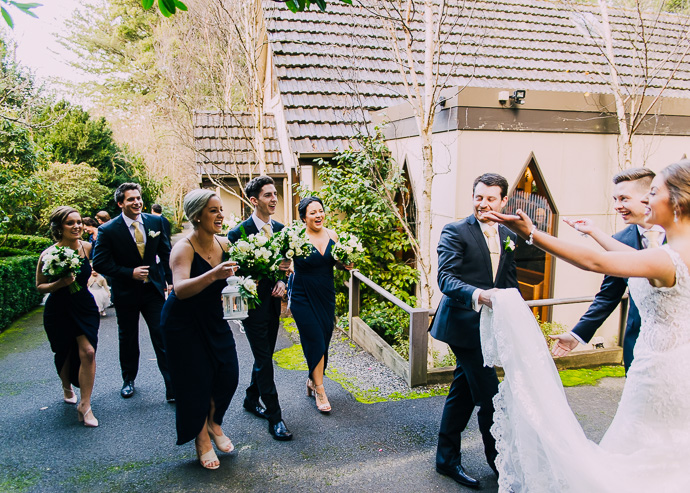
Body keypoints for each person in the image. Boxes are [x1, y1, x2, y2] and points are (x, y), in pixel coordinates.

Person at [483, 159, 690, 491]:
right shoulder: (672, 253)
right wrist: (594, 232)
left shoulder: (668, 257)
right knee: (664, 460)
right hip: (670, 369)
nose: (647, 201)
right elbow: (631, 260)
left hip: (661, 378)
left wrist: (532, 233)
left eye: (653, 192)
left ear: (677, 201)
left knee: (636, 464)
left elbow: (595, 262)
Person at [429, 173, 518, 489]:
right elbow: (446, 279)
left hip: (489, 329)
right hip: (462, 327)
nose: (483, 203)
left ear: (504, 200)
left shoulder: (508, 234)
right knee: (490, 397)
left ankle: (446, 460)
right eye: (478, 197)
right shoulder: (455, 231)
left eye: (491, 198)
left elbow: (509, 282)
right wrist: (480, 295)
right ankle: (500, 465)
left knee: (462, 394)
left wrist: (517, 319)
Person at [551, 168, 663, 372]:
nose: (617, 206)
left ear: (648, 197)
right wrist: (577, 334)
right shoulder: (618, 240)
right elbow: (608, 296)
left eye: (624, 199)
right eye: (615, 199)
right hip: (638, 345)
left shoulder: (682, 234)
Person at [160, 189, 240, 470]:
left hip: (213, 318)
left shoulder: (226, 243)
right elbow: (180, 289)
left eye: (220, 209)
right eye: (213, 210)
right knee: (195, 382)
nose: (220, 215)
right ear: (196, 216)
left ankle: (214, 424)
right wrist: (214, 274)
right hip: (183, 323)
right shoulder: (183, 247)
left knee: (228, 373)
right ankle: (201, 439)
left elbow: (237, 278)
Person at [93, 182, 174, 401]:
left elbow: (166, 253)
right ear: (120, 203)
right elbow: (100, 262)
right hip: (126, 292)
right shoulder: (108, 229)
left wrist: (170, 280)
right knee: (128, 338)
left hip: (153, 291)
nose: (137, 202)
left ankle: (171, 385)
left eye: (138, 198)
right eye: (131, 199)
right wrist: (129, 272)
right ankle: (128, 380)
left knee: (161, 335)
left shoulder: (155, 222)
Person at [227, 176, 292, 441]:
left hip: (273, 304)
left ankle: (250, 398)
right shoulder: (237, 234)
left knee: (264, 353)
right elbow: (232, 273)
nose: (274, 199)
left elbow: (285, 264)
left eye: (274, 194)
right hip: (251, 305)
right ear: (254, 201)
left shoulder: (281, 229)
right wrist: (245, 279)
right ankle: (275, 417)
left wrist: (282, 280)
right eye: (268, 195)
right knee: (265, 359)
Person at [36, 207, 100, 427]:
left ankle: (85, 404)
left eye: (79, 222)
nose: (77, 226)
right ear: (59, 227)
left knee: (88, 352)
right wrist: (59, 284)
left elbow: (96, 269)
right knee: (64, 351)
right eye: (70, 223)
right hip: (59, 309)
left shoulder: (88, 247)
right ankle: (66, 387)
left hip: (84, 306)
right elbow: (40, 286)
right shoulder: (48, 253)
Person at [289, 197, 353, 414]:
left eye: (321, 211)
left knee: (324, 338)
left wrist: (346, 263)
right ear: (304, 217)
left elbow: (336, 262)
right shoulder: (296, 238)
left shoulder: (332, 235)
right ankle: (320, 389)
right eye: (313, 212)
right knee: (314, 338)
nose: (318, 215)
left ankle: (311, 379)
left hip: (326, 294)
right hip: (302, 294)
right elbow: (283, 262)